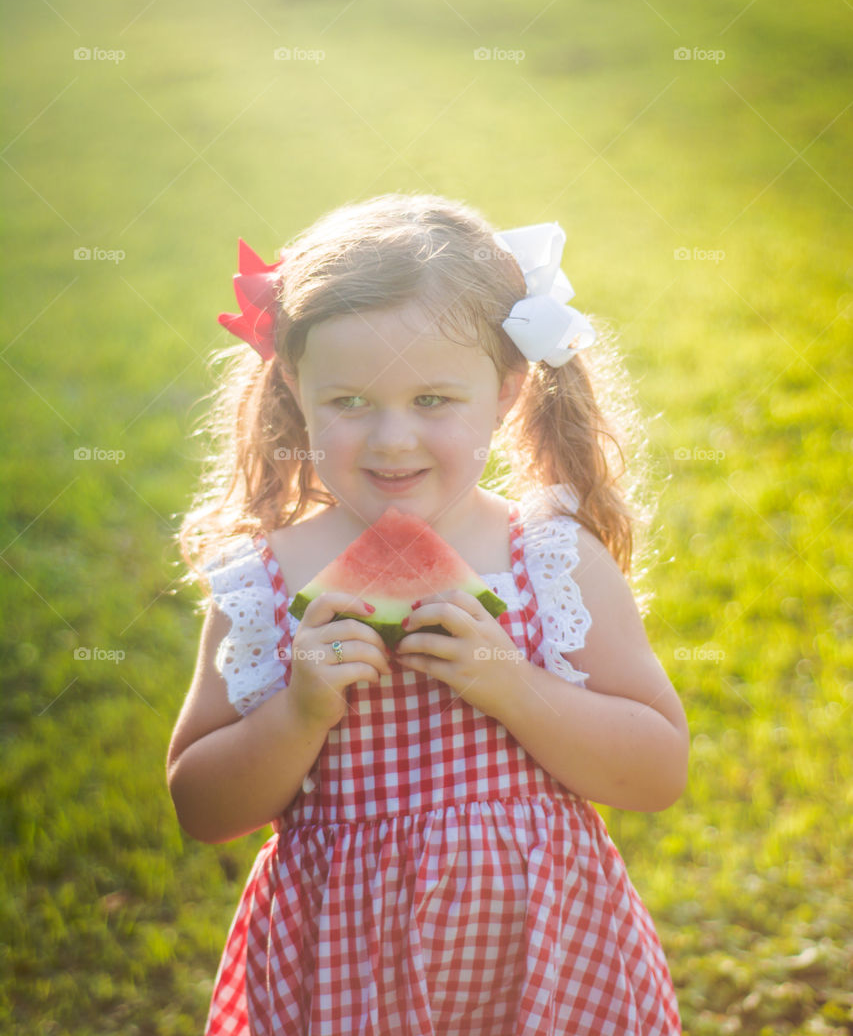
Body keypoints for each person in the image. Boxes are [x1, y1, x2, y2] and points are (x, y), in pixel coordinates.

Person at [167, 192, 688, 1036]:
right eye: (350, 402)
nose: (392, 440)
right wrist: (297, 712)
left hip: (546, 958)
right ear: (296, 389)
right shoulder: (261, 585)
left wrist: (516, 690)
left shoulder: (551, 562)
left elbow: (658, 772)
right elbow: (202, 807)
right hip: (344, 967)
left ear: (508, 391)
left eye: (434, 401)